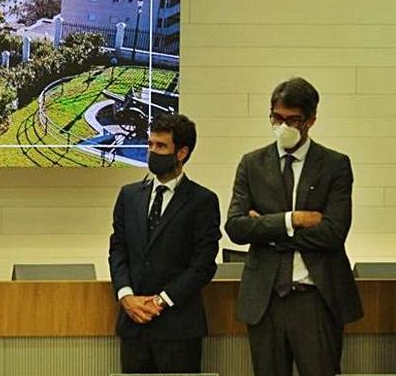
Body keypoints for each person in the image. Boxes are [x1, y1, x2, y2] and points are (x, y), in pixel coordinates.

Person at [225, 77, 362, 376]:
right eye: (277, 118)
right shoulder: (252, 163)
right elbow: (235, 227)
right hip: (265, 298)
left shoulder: (335, 165)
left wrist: (266, 230)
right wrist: (293, 220)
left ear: (310, 120)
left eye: (293, 120)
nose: (283, 126)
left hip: (316, 298)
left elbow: (333, 233)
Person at [108, 113, 221, 373]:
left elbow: (203, 265)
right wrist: (126, 297)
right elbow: (118, 249)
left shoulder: (202, 201)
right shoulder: (129, 196)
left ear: (181, 153)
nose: (152, 152)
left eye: (161, 147)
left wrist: (160, 301)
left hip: (178, 327)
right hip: (134, 324)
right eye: (150, 145)